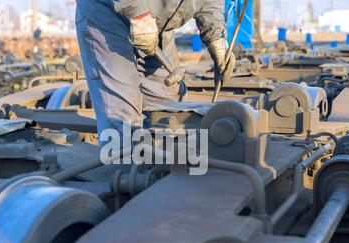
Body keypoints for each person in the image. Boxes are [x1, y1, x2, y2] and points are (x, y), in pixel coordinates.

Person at [76, 0, 234, 143]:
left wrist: (216, 38)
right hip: (107, 17)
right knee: (122, 118)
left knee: (169, 112)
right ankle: (123, 168)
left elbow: (211, 3)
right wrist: (138, 14)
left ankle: (163, 165)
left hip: (157, 24)